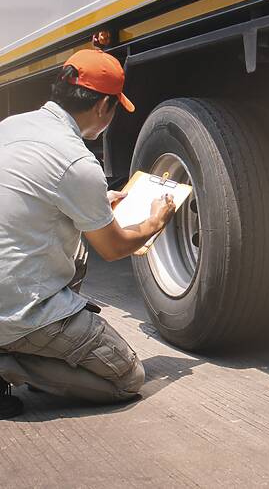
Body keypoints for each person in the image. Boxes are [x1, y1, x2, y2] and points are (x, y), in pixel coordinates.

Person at [0, 49, 176, 418]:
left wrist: (96, 203)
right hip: (15, 309)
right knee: (125, 379)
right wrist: (154, 223)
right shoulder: (77, 162)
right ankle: (11, 360)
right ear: (103, 107)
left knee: (78, 251)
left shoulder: (11, 126)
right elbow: (113, 248)